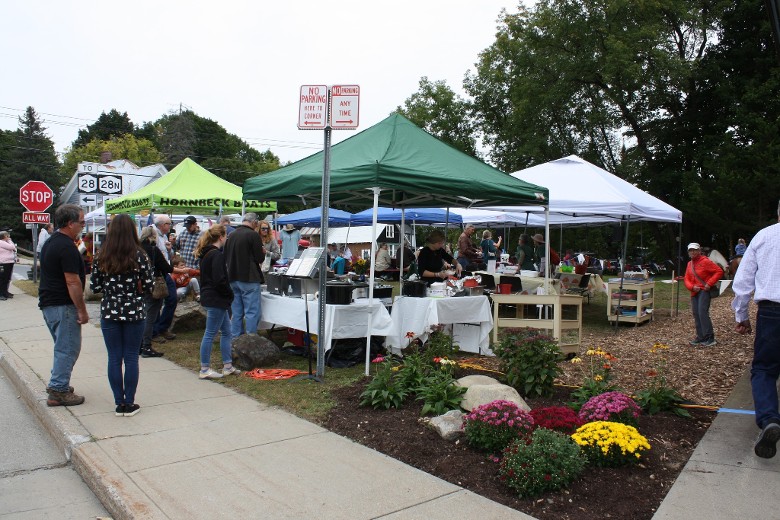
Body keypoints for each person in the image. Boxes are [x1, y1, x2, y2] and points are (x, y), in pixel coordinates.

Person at [90, 214, 152, 417]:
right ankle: (130, 402)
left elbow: (95, 286)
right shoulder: (140, 255)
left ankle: (119, 402)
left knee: (114, 357)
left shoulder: (101, 255)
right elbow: (150, 285)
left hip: (110, 309)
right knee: (132, 357)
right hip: (134, 309)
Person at [732, 201, 780, 458]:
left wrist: (742, 316)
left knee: (764, 369)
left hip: (773, 311)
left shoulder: (765, 236)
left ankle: (770, 418)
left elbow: (743, 281)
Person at [38, 204, 89, 407]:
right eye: (81, 222)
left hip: (50, 304)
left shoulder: (52, 242)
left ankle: (58, 384)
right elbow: (72, 281)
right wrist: (82, 310)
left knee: (62, 347)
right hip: (63, 304)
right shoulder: (66, 246)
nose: (83, 226)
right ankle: (58, 388)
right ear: (70, 223)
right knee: (68, 349)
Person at [196, 224, 240, 380]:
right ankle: (204, 368)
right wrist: (229, 294)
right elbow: (219, 280)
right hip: (216, 298)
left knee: (227, 332)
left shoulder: (207, 254)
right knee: (210, 333)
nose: (227, 238)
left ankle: (227, 365)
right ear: (221, 237)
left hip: (213, 296)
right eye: (226, 236)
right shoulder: (216, 255)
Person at [224, 212, 264, 337]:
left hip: (232, 276)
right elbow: (259, 258)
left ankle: (236, 339)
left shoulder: (231, 235)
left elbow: (225, 255)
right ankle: (251, 338)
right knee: (252, 311)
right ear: (254, 223)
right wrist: (262, 252)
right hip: (249, 277)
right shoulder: (253, 235)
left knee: (237, 312)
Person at [683, 242, 723, 347]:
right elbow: (686, 278)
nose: (692, 252)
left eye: (694, 250)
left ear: (699, 251)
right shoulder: (689, 264)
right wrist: (691, 287)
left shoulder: (705, 261)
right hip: (694, 292)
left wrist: (709, 284)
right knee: (696, 314)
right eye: (690, 250)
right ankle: (700, 337)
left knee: (702, 313)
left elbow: (718, 271)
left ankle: (709, 337)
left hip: (704, 291)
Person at [139, 225, 168, 357]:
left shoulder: (137, 249)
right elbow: (167, 267)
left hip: (139, 285)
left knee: (142, 315)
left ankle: (139, 344)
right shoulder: (153, 249)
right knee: (150, 317)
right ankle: (146, 346)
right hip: (153, 284)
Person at [151, 215, 178, 342]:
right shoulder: (152, 234)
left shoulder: (164, 236)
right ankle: (154, 331)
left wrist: (169, 249)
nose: (170, 226)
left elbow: (168, 255)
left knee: (172, 298)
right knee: (157, 301)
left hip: (165, 272)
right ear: (162, 224)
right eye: (168, 224)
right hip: (156, 273)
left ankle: (162, 327)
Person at [0, 231, 17, 300]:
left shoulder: (7, 242)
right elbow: (12, 247)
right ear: (4, 236)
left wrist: (9, 241)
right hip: (3, 263)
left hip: (9, 262)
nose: (9, 236)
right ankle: (1, 294)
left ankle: (5, 292)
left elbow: (14, 248)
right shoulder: (1, 242)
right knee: (2, 279)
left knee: (7, 278)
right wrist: (10, 240)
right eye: (7, 235)